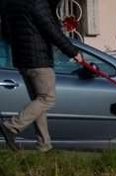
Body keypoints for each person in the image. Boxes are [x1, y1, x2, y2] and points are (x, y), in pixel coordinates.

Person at [0, 0, 90, 153]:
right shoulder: (37, 3)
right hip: (39, 60)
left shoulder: (10, 4)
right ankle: (11, 126)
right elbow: (52, 31)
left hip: (21, 60)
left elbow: (6, 32)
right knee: (47, 98)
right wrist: (73, 53)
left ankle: (44, 145)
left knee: (38, 101)